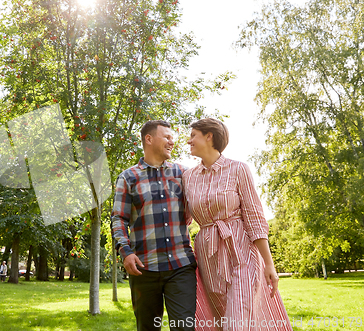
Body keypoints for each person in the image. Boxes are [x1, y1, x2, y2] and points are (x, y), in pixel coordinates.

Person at [183, 118, 292, 330]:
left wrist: (269, 263)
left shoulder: (238, 169)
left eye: (193, 135)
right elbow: (184, 219)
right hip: (208, 258)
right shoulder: (188, 177)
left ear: (209, 136)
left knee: (238, 322)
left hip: (242, 254)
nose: (189, 141)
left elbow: (254, 218)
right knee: (222, 321)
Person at [112, 120, 198, 331]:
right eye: (167, 137)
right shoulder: (128, 177)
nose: (172, 142)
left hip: (181, 266)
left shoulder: (183, 174)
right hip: (144, 268)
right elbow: (118, 219)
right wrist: (126, 252)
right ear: (148, 139)